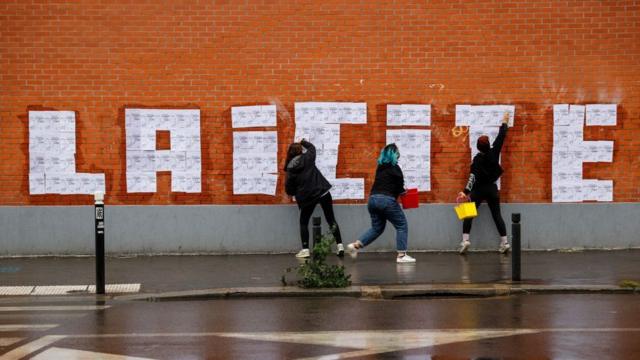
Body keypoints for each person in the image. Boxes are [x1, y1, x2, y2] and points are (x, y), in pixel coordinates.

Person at [347, 144, 416, 263]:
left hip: (372, 200)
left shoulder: (380, 167)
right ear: (394, 154)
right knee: (401, 225)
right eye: (397, 152)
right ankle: (401, 255)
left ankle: (355, 246)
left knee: (377, 228)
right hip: (386, 201)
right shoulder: (396, 168)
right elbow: (400, 188)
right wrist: (405, 193)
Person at [457, 112, 510, 254]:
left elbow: (472, 177)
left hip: (478, 191)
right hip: (492, 190)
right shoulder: (494, 153)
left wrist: (465, 192)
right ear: (488, 145)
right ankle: (505, 242)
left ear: (478, 147)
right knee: (497, 215)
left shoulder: (477, 160)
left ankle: (465, 240)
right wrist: (505, 121)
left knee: (468, 214)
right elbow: (501, 136)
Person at [285, 139, 344, 258]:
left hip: (307, 198)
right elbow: (312, 147)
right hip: (322, 192)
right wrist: (302, 141)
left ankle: (305, 249)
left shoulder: (290, 169)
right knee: (330, 219)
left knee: (304, 222)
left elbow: (289, 189)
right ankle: (340, 245)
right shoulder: (308, 158)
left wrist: (296, 192)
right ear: (301, 151)